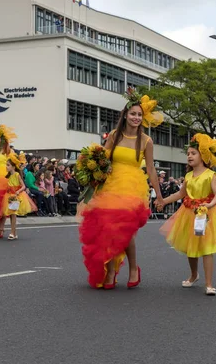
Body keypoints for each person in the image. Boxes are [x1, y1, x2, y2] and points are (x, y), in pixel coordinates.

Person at [78, 88, 163, 289]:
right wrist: (91, 172)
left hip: (133, 186)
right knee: (108, 229)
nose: (136, 117)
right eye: (132, 113)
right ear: (125, 115)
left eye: (139, 114)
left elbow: (151, 169)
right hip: (111, 185)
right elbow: (103, 158)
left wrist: (159, 196)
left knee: (124, 230)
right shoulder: (115, 135)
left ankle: (132, 268)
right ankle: (111, 271)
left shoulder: (146, 141)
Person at [159, 133, 216, 296]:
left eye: (193, 153)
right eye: (188, 154)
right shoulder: (187, 176)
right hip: (188, 214)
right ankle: (194, 275)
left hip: (206, 214)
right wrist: (163, 201)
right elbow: (180, 194)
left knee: (207, 248)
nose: (189, 156)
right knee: (190, 247)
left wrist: (210, 204)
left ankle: (209, 284)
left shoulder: (210, 175)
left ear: (203, 155)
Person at [0, 156, 36, 240]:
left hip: (15, 196)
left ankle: (12, 233)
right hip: (9, 196)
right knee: (11, 215)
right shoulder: (8, 176)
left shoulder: (17, 174)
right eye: (6, 165)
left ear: (13, 167)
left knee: (13, 214)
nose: (6, 167)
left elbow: (23, 186)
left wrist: (18, 191)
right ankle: (14, 233)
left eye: (8, 165)